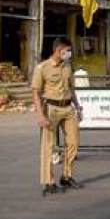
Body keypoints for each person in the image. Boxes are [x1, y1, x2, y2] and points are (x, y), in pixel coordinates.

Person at [31, 38, 83, 196]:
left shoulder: (67, 66)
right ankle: (49, 181)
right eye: (67, 50)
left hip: (68, 108)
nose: (69, 53)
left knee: (73, 142)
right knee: (49, 146)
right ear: (58, 50)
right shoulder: (42, 68)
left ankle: (66, 176)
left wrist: (78, 106)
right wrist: (40, 115)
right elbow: (36, 93)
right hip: (51, 109)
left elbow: (71, 88)